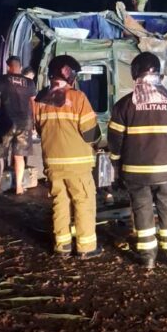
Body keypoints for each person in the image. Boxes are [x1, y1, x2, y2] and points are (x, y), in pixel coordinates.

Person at [108, 51, 167, 270]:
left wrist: (116, 162)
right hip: (165, 170)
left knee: (141, 210)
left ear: (134, 74)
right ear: (159, 74)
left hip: (135, 171)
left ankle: (148, 256)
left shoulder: (124, 105)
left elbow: (115, 139)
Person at [33, 54, 101, 259]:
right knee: (83, 201)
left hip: (52, 163)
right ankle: (86, 247)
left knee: (59, 201)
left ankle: (61, 246)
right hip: (77, 164)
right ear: (70, 75)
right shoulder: (78, 98)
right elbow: (91, 134)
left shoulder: (39, 100)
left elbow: (39, 128)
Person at [0, 55, 36, 195]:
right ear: (19, 66)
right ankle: (19, 187)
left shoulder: (2, 80)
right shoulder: (29, 83)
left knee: (0, 155)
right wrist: (34, 122)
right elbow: (34, 103)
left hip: (5, 122)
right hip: (24, 123)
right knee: (19, 156)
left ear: (9, 67)